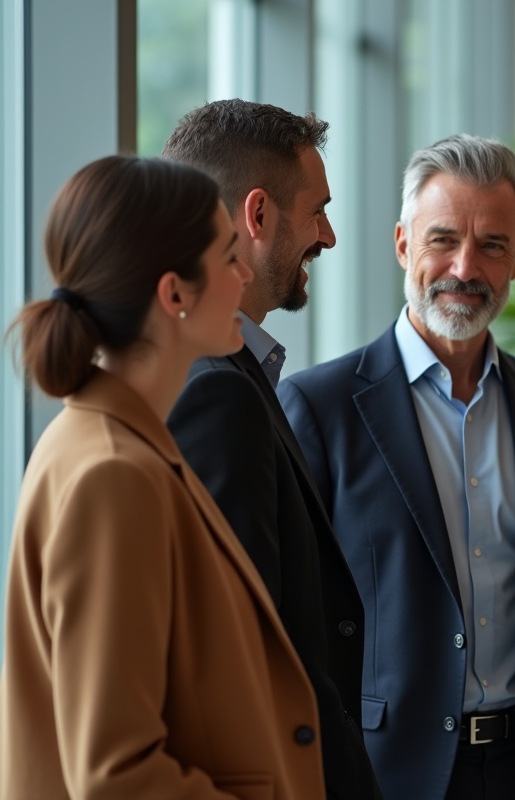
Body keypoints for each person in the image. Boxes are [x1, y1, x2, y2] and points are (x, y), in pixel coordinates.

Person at [0, 155, 325, 799]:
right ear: (174, 295)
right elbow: (116, 773)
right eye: (227, 257)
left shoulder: (107, 440)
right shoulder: (113, 475)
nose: (243, 275)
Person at [277, 134, 515, 800]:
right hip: (383, 770)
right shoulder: (317, 407)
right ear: (402, 245)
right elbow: (294, 614)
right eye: (442, 240)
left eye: (492, 246)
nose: (465, 267)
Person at [162, 100, 380, 800]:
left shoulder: (205, 369)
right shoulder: (215, 391)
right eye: (317, 211)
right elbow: (243, 652)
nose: (329, 236)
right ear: (257, 215)